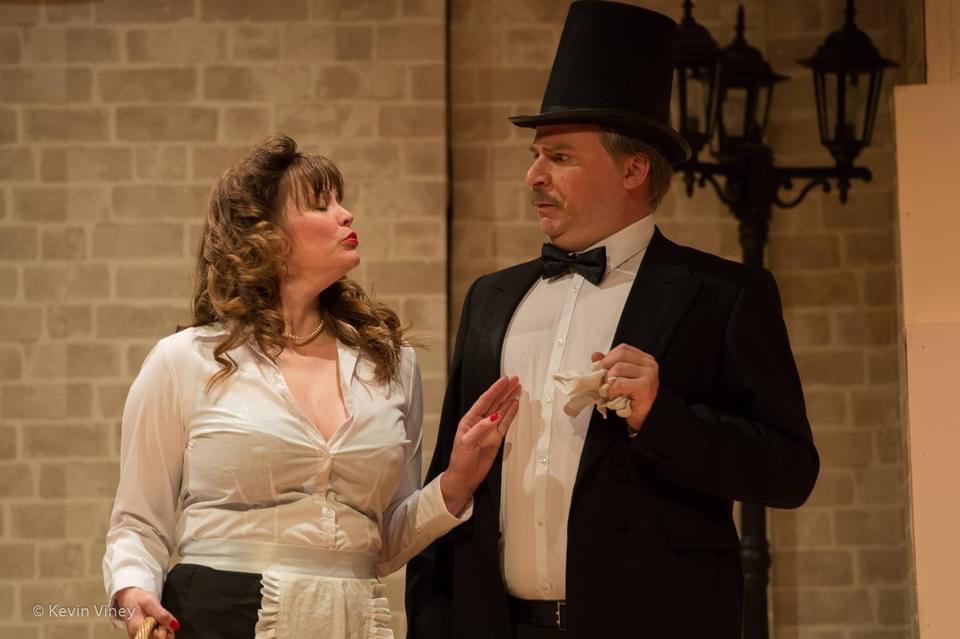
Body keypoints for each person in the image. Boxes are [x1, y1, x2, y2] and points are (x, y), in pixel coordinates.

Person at [405, 2, 819, 638]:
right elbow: (450, 472)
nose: (533, 176)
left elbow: (789, 472)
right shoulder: (491, 297)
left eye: (560, 157)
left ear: (633, 169)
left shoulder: (724, 294)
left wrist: (662, 416)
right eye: (536, 155)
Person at [102, 134, 521, 639]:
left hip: (353, 618)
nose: (346, 215)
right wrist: (132, 591)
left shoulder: (390, 364)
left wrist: (455, 484)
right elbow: (139, 523)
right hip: (218, 617)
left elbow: (384, 542)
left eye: (341, 201)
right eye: (322, 205)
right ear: (267, 234)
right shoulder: (185, 361)